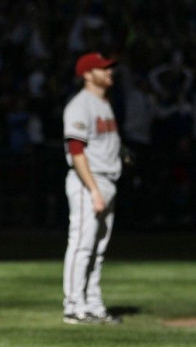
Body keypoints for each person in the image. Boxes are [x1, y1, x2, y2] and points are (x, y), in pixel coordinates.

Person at [62, 52, 122, 325]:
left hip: (107, 179)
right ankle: (73, 305)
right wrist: (94, 190)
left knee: (98, 249)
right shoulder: (80, 105)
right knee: (81, 246)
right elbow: (76, 151)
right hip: (88, 181)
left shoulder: (104, 103)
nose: (110, 71)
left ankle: (93, 303)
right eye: (103, 68)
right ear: (87, 74)